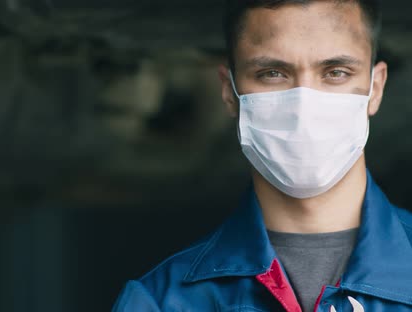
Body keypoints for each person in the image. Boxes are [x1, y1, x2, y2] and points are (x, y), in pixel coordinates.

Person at [112, 0, 412, 311]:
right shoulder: (162, 302)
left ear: (375, 88)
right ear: (229, 92)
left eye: (336, 72)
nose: (303, 107)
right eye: (272, 73)